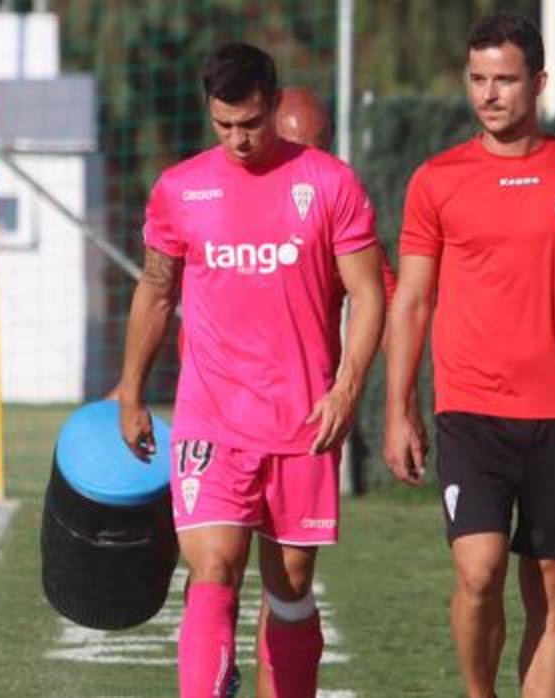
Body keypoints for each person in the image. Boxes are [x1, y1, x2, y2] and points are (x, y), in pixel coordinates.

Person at [383, 13, 555, 698]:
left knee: (552, 589)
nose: (489, 94)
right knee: (478, 574)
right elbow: (410, 301)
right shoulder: (436, 180)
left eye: (504, 79)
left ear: (538, 81)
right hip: (470, 410)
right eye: (478, 79)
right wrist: (397, 410)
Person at [115, 42, 384, 698]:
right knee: (213, 569)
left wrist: (347, 388)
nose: (238, 139)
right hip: (212, 417)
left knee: (289, 589)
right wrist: (130, 392)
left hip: (302, 421)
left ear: (274, 104)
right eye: (224, 125)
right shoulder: (181, 189)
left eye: (252, 123)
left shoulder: (328, 183)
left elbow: (371, 293)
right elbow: (155, 292)